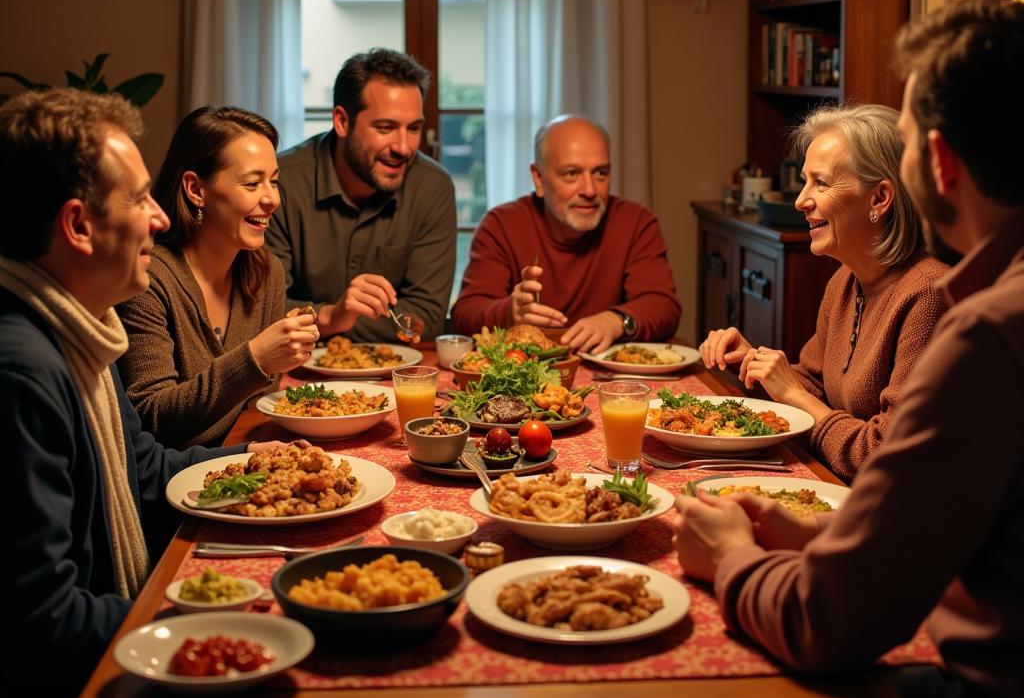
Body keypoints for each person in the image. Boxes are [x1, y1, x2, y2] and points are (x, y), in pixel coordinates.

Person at [674, 0, 1024, 698]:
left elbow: (829, 623)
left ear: (938, 162)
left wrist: (730, 557)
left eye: (902, 142)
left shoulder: (986, 331)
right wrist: (819, 532)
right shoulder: (964, 302)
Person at [0, 89, 294, 698]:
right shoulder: (23, 370)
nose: (159, 218)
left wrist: (258, 463)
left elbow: (146, 469)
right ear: (78, 226)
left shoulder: (81, 335)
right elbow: (41, 622)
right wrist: (203, 621)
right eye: (137, 199)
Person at [699, 103, 948, 481]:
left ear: (879, 198)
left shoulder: (927, 295)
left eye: (822, 182)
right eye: (804, 181)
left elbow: (884, 455)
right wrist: (753, 366)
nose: (801, 200)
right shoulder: (845, 281)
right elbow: (816, 388)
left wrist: (794, 395)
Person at [117, 107, 319, 447]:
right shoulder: (149, 280)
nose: (272, 199)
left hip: (242, 457)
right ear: (196, 189)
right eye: (253, 183)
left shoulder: (265, 271)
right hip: (176, 486)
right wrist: (254, 359)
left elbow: (259, 404)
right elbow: (151, 419)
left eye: (274, 181)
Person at [266, 48, 456, 343]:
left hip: (394, 375)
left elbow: (425, 320)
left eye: (414, 128)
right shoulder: (281, 182)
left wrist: (314, 321)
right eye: (386, 127)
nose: (404, 147)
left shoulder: (433, 187)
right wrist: (331, 315)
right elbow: (264, 311)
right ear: (342, 122)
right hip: (293, 370)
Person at [451, 114, 680, 354]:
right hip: (525, 373)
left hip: (611, 379)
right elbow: (465, 315)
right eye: (572, 174)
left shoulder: (635, 222)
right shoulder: (501, 225)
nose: (590, 190)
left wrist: (617, 320)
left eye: (600, 173)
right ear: (538, 178)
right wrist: (509, 313)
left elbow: (664, 307)